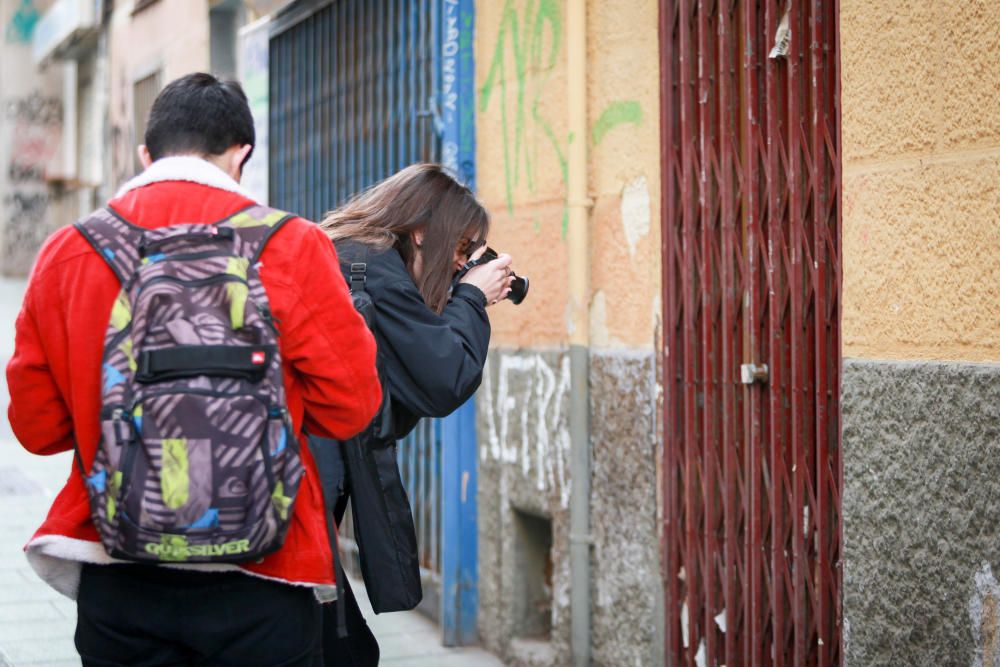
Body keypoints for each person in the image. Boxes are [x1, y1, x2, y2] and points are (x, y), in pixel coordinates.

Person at [6, 72, 382, 666]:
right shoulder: (294, 245)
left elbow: (38, 428)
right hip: (268, 567)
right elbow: (352, 407)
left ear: (144, 154)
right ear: (243, 154)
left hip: (117, 564)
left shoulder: (69, 252)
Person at [316, 164, 514, 665]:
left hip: (298, 492)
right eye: (461, 246)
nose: (459, 260)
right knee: (344, 653)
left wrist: (455, 294)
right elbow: (442, 377)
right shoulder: (373, 267)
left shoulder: (349, 256)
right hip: (298, 501)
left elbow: (397, 389)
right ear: (422, 229)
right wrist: (471, 297)